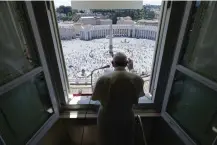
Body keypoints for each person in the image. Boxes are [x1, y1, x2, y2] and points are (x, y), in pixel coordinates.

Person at [92, 52, 145, 145]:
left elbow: (96, 97)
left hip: (106, 117)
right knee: (125, 140)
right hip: (126, 116)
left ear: (113, 63)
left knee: (106, 140)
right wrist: (131, 70)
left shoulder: (103, 79)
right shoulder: (137, 79)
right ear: (126, 64)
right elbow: (137, 92)